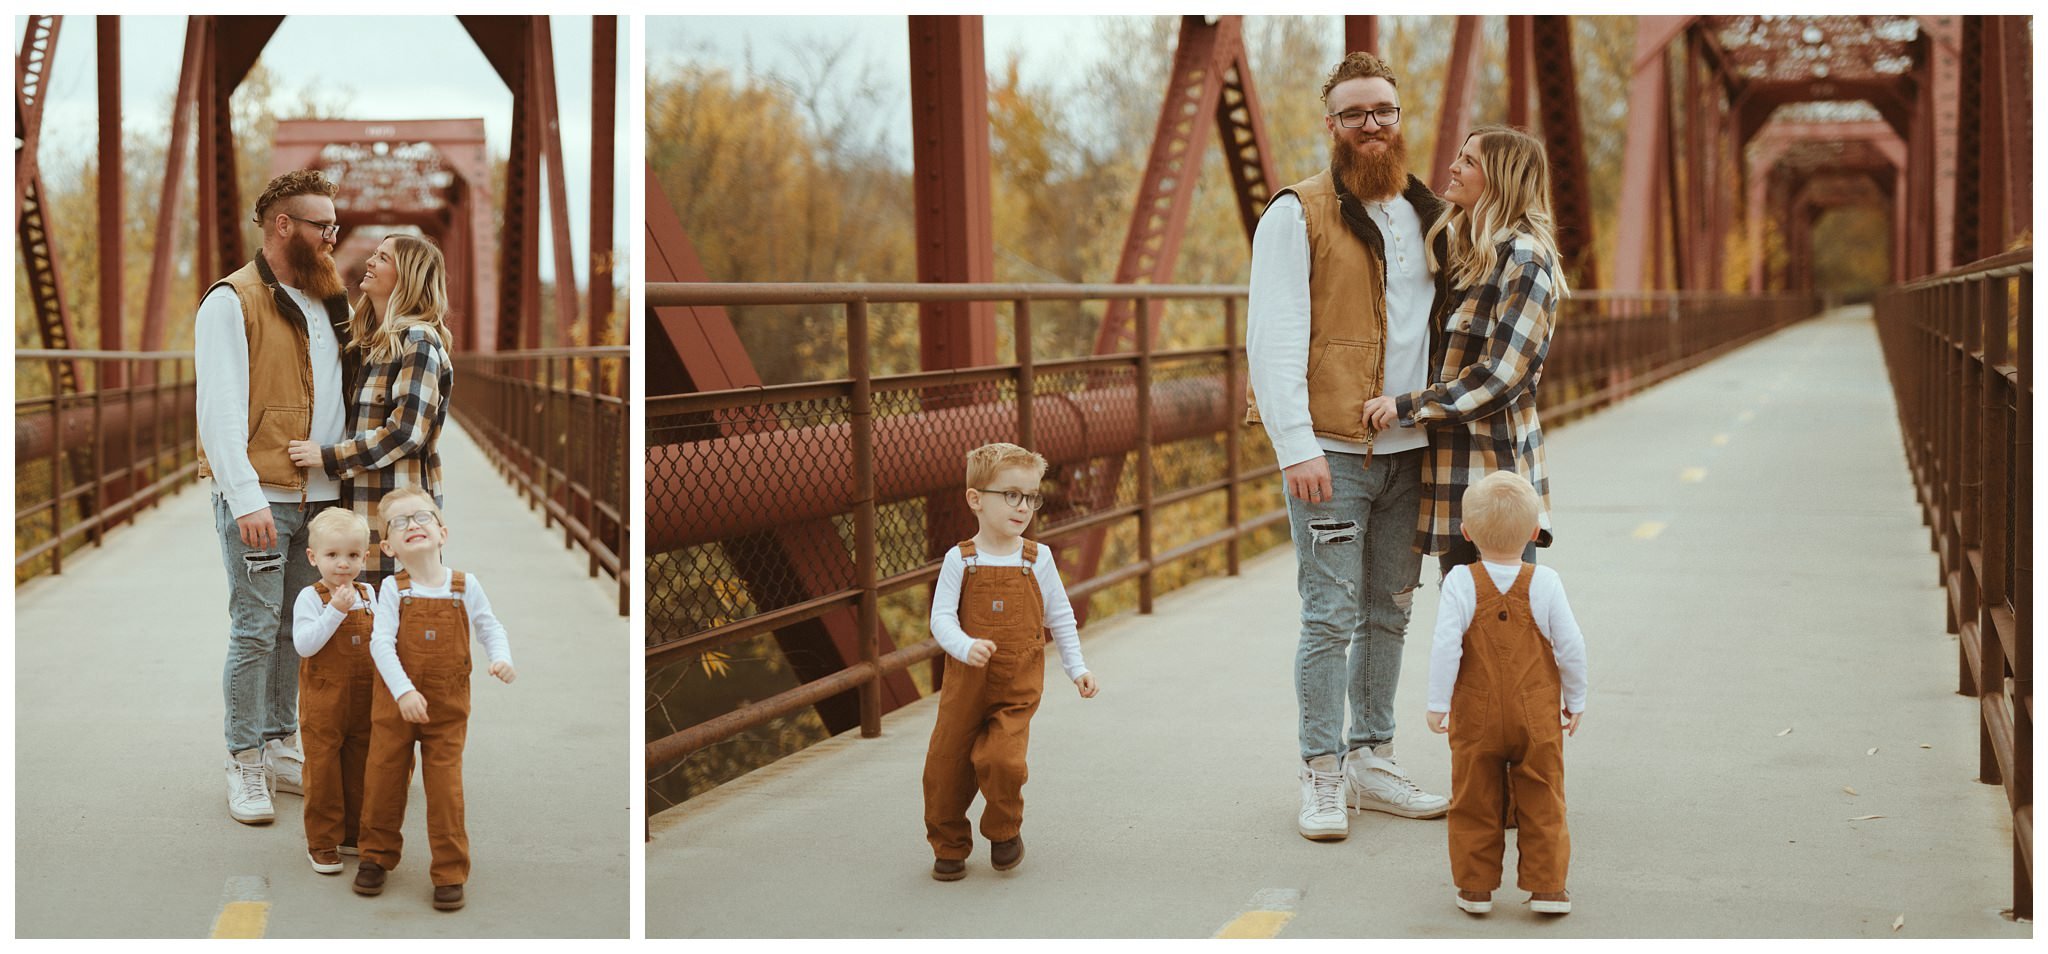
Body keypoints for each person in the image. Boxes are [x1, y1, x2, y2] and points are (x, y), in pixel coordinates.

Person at [1246, 51, 1453, 842]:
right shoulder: (1296, 214)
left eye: (1384, 112)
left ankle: (1373, 756)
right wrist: (1294, 445)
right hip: (1329, 453)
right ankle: (1322, 773)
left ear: (1401, 121)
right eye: (1355, 113)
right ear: (1330, 125)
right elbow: (1272, 341)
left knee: (1390, 612)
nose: (1372, 125)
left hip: (1412, 451)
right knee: (1329, 616)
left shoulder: (1429, 211)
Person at [195, 169, 352, 824]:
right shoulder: (231, 301)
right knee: (256, 628)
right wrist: (245, 496)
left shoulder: (324, 300)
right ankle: (243, 761)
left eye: (335, 228)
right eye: (323, 227)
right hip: (261, 497)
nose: (333, 239)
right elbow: (220, 409)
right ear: (283, 226)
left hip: (317, 499)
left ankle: (278, 740)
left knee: (294, 628)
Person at [1365, 125, 1568, 576]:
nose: (1453, 168)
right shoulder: (1466, 254)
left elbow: (1501, 377)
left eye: (1469, 161)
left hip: (1494, 477)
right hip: (1453, 472)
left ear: (1502, 178)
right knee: (1465, 623)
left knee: (1501, 627)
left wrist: (1406, 407)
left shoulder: (1525, 259)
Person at [922, 442, 1099, 881]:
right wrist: (964, 646)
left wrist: (1076, 668)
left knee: (1004, 761)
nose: (1023, 507)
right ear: (976, 499)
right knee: (945, 768)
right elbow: (940, 618)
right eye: (1011, 495)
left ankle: (1003, 831)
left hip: (1017, 684)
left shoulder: (1037, 559)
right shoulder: (960, 560)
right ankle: (949, 845)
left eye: (1032, 497)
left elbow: (1060, 616)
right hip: (966, 684)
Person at [1423, 471, 1587, 916]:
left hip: (1474, 714)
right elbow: (1571, 646)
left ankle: (1475, 888)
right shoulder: (1546, 582)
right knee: (1543, 796)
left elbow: (1445, 646)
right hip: (1536, 714)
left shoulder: (1459, 581)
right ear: (1535, 533)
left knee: (1473, 797)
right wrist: (1576, 700)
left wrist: (1438, 704)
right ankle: (1548, 888)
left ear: (1466, 533)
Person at [352, 487, 516, 911]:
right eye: (400, 522)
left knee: (445, 788)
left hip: (447, 706)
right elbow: (381, 644)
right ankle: (375, 856)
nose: (413, 526)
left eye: (422, 517)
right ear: (387, 546)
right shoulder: (393, 589)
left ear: (442, 532)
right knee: (384, 777)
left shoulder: (464, 586)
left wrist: (500, 658)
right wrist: (403, 691)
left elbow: (490, 627)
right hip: (396, 705)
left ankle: (449, 870)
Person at [288, 233, 453, 594]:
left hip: (397, 515)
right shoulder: (371, 342)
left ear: (407, 277)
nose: (370, 262)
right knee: (362, 626)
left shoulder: (418, 341)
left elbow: (407, 431)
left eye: (383, 258)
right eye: (374, 254)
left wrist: (327, 456)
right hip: (359, 511)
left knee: (398, 627)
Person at [290, 508, 379, 874]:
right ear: (313, 557)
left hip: (365, 696)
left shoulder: (368, 593)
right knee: (324, 768)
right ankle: (323, 841)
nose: (342, 564)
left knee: (360, 764)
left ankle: (353, 832)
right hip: (325, 699)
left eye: (352, 555)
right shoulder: (310, 598)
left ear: (365, 556)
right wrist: (335, 613)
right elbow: (305, 645)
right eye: (332, 555)